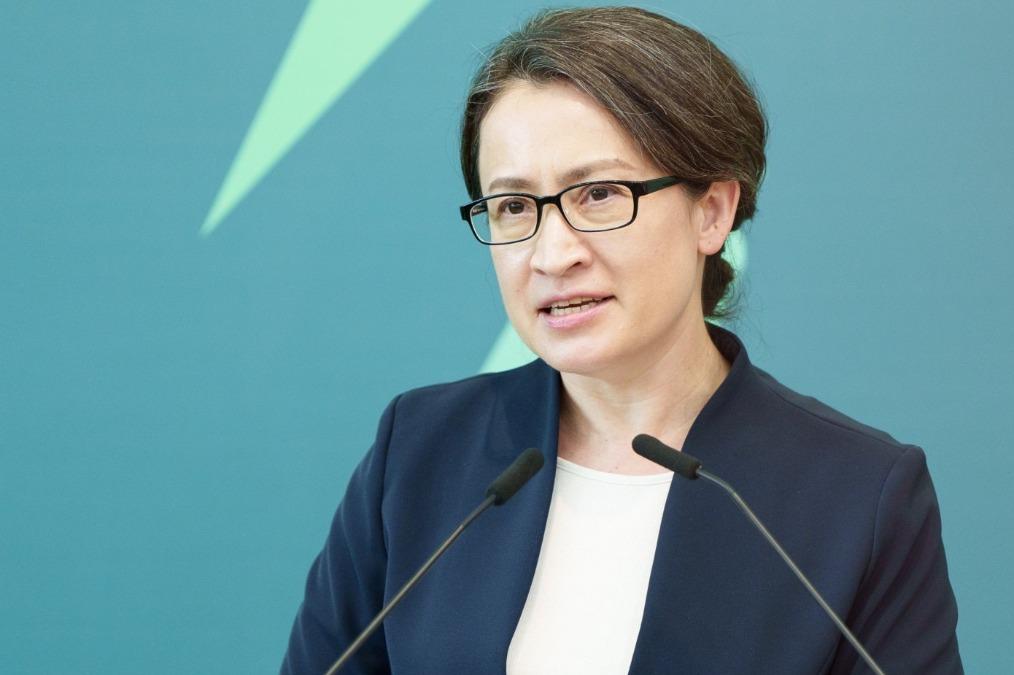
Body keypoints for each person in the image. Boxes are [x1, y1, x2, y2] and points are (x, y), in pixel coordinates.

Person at [282, 7, 962, 674]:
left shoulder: (858, 496)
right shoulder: (420, 452)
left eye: (599, 195)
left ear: (712, 211)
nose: (552, 254)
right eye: (514, 206)